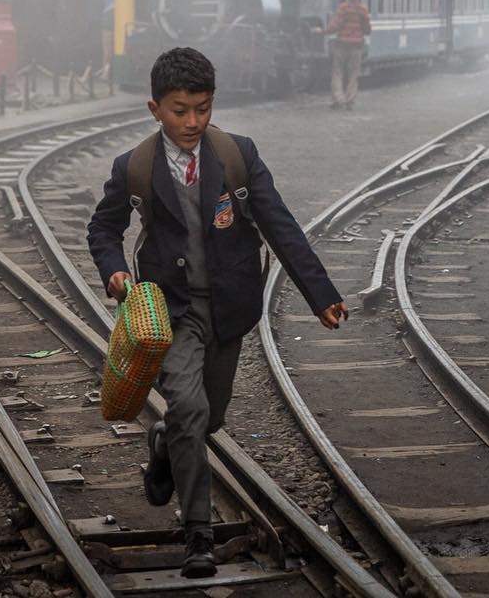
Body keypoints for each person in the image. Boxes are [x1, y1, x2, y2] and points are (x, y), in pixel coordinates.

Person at [86, 47, 348, 578]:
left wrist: (320, 294)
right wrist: (113, 269)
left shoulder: (237, 156)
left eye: (202, 109)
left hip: (229, 306)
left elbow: (280, 225)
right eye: (180, 110)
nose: (192, 121)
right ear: (154, 108)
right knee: (188, 407)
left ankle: (164, 445)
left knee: (212, 415)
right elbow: (103, 229)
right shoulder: (134, 167)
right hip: (170, 312)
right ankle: (198, 535)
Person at [321, 0, 371, 110]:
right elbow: (367, 30)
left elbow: (335, 26)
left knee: (337, 73)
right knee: (353, 75)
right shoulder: (363, 9)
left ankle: (338, 99)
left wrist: (323, 31)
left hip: (341, 45)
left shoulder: (343, 8)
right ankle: (350, 102)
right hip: (356, 47)